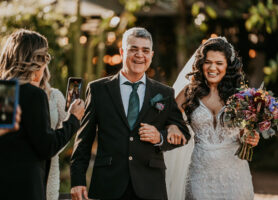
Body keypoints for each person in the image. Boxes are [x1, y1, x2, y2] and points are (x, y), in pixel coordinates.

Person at [70, 27, 190, 200]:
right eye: (133, 49)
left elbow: (183, 133)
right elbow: (83, 140)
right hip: (108, 184)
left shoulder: (164, 93)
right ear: (122, 51)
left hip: (150, 186)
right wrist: (77, 180)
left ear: (151, 54)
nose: (140, 55)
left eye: (145, 50)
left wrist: (160, 137)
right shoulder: (98, 90)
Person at [164, 37, 260, 200]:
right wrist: (172, 127)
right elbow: (168, 115)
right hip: (199, 174)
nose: (212, 67)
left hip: (235, 175)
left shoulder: (240, 94)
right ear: (201, 64)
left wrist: (252, 137)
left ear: (228, 66)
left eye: (219, 63)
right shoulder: (190, 92)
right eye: (208, 62)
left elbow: (245, 132)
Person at [0, 29, 84, 200]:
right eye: (45, 57)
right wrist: (73, 119)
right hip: (25, 188)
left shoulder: (5, 92)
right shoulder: (34, 95)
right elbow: (47, 147)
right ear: (37, 61)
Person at [37, 66, 68, 200]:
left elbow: (68, 130)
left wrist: (53, 148)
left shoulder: (55, 95)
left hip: (51, 168)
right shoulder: (9, 92)